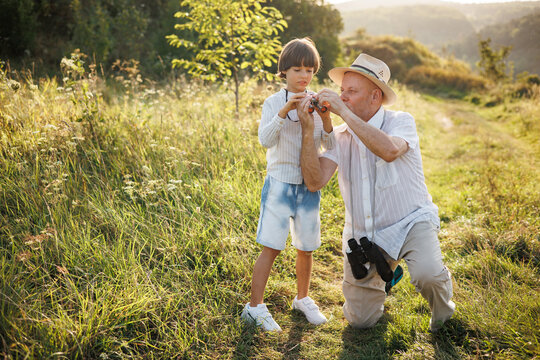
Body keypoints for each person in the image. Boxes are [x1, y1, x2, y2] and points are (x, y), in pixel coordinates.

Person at [296, 53, 455, 332]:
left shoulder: (401, 121)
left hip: (410, 222)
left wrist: (342, 112)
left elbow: (390, 151)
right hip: (365, 236)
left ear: (375, 97)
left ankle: (443, 312)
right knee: (360, 322)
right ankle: (388, 275)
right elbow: (314, 181)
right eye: (341, 91)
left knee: (428, 275)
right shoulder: (340, 135)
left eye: (351, 92)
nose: (342, 98)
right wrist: (309, 131)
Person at [240, 38, 335, 332]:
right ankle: (254, 307)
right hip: (280, 185)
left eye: (309, 69)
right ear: (284, 71)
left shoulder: (316, 103)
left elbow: (330, 146)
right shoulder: (272, 102)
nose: (303, 76)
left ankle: (302, 298)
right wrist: (284, 112)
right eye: (296, 69)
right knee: (271, 246)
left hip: (307, 188)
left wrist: (326, 119)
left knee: (306, 247)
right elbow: (265, 140)